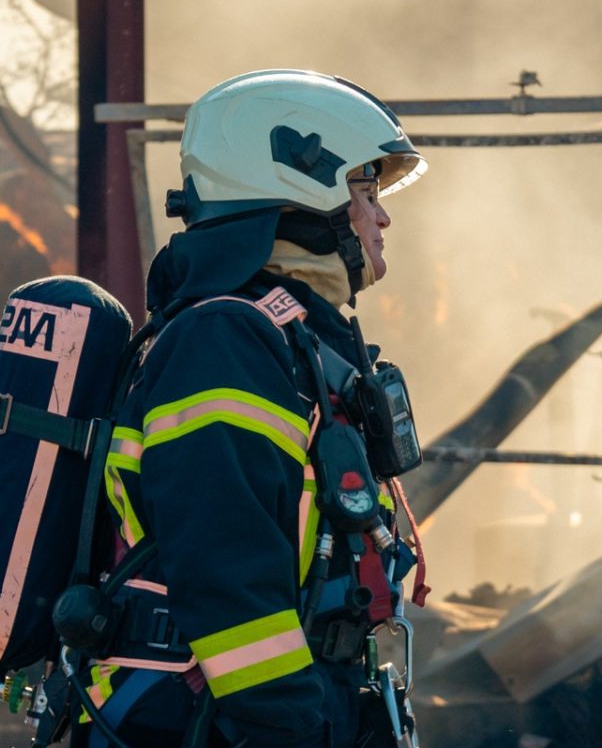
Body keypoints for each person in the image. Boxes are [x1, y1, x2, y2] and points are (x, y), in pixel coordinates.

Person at [81, 69, 427, 748]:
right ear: (303, 187)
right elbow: (225, 568)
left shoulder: (284, 339)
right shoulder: (224, 342)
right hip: (210, 722)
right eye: (365, 191)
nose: (382, 218)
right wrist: (286, 726)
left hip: (275, 706)